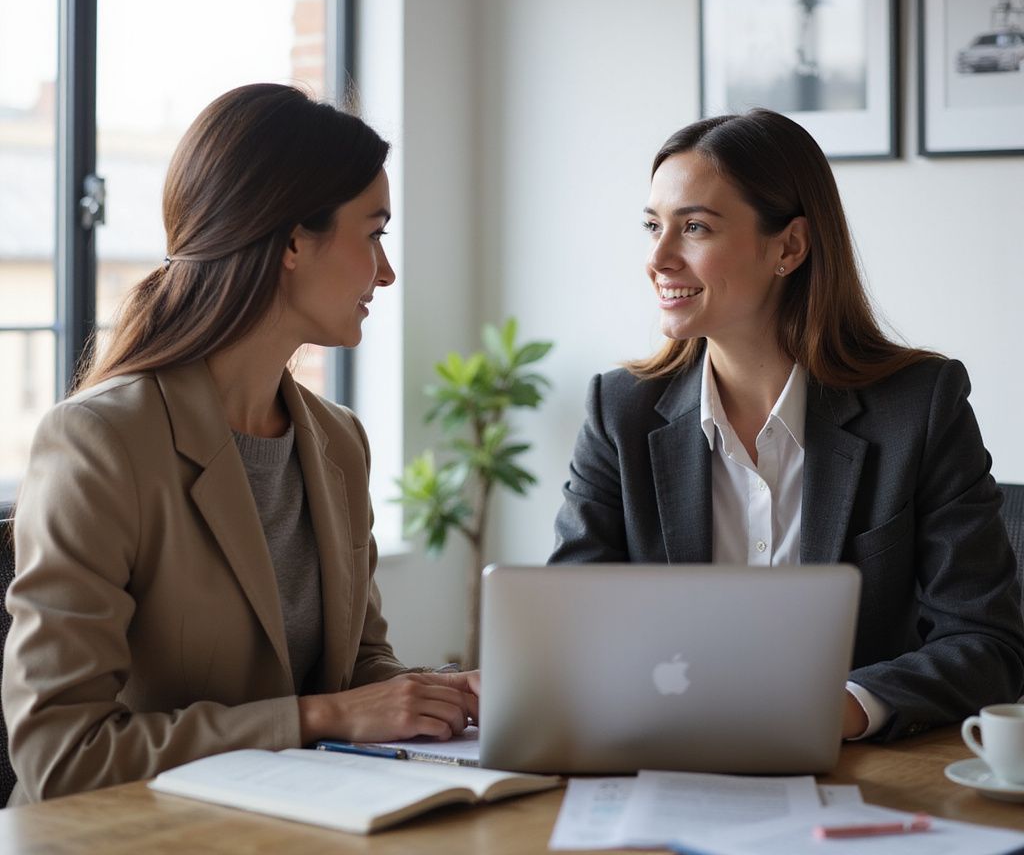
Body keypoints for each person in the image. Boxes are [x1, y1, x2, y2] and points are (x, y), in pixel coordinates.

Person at [2, 83, 478, 804]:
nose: (386, 271)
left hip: (308, 826)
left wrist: (444, 693)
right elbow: (62, 757)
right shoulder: (98, 442)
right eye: (374, 232)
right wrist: (319, 716)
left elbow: (357, 669)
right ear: (291, 240)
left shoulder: (338, 442)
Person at [550, 108, 1024, 743]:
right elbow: (567, 627)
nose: (658, 258)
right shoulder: (620, 412)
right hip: (662, 755)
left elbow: (987, 642)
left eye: (694, 227)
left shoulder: (920, 406)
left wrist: (843, 706)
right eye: (652, 226)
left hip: (859, 777)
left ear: (790, 247)